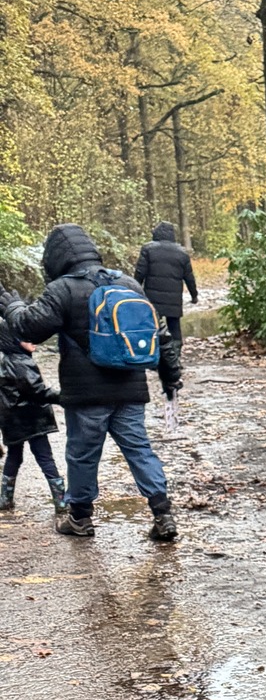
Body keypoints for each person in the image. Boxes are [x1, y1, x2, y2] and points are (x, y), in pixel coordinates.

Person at [0, 224, 177, 542]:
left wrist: (11, 306)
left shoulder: (63, 289)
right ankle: (163, 514)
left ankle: (80, 519)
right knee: (139, 450)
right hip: (131, 389)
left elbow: (29, 328)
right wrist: (170, 376)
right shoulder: (127, 283)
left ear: (56, 257)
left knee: (82, 455)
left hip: (86, 394)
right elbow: (159, 332)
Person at [133, 221, 198, 432]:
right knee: (175, 330)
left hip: (152, 300)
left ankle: (154, 359)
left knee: (153, 330)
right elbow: (189, 276)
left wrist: (133, 289)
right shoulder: (181, 252)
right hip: (173, 300)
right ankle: (174, 361)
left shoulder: (148, 249)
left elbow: (140, 272)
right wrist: (194, 295)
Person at [0, 318, 66, 515]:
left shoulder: (5, 360)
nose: (33, 341)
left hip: (12, 420)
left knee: (14, 456)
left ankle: (5, 498)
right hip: (31, 419)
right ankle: (61, 501)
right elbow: (37, 390)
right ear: (14, 339)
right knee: (45, 457)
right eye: (27, 338)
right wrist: (63, 397)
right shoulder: (21, 362)